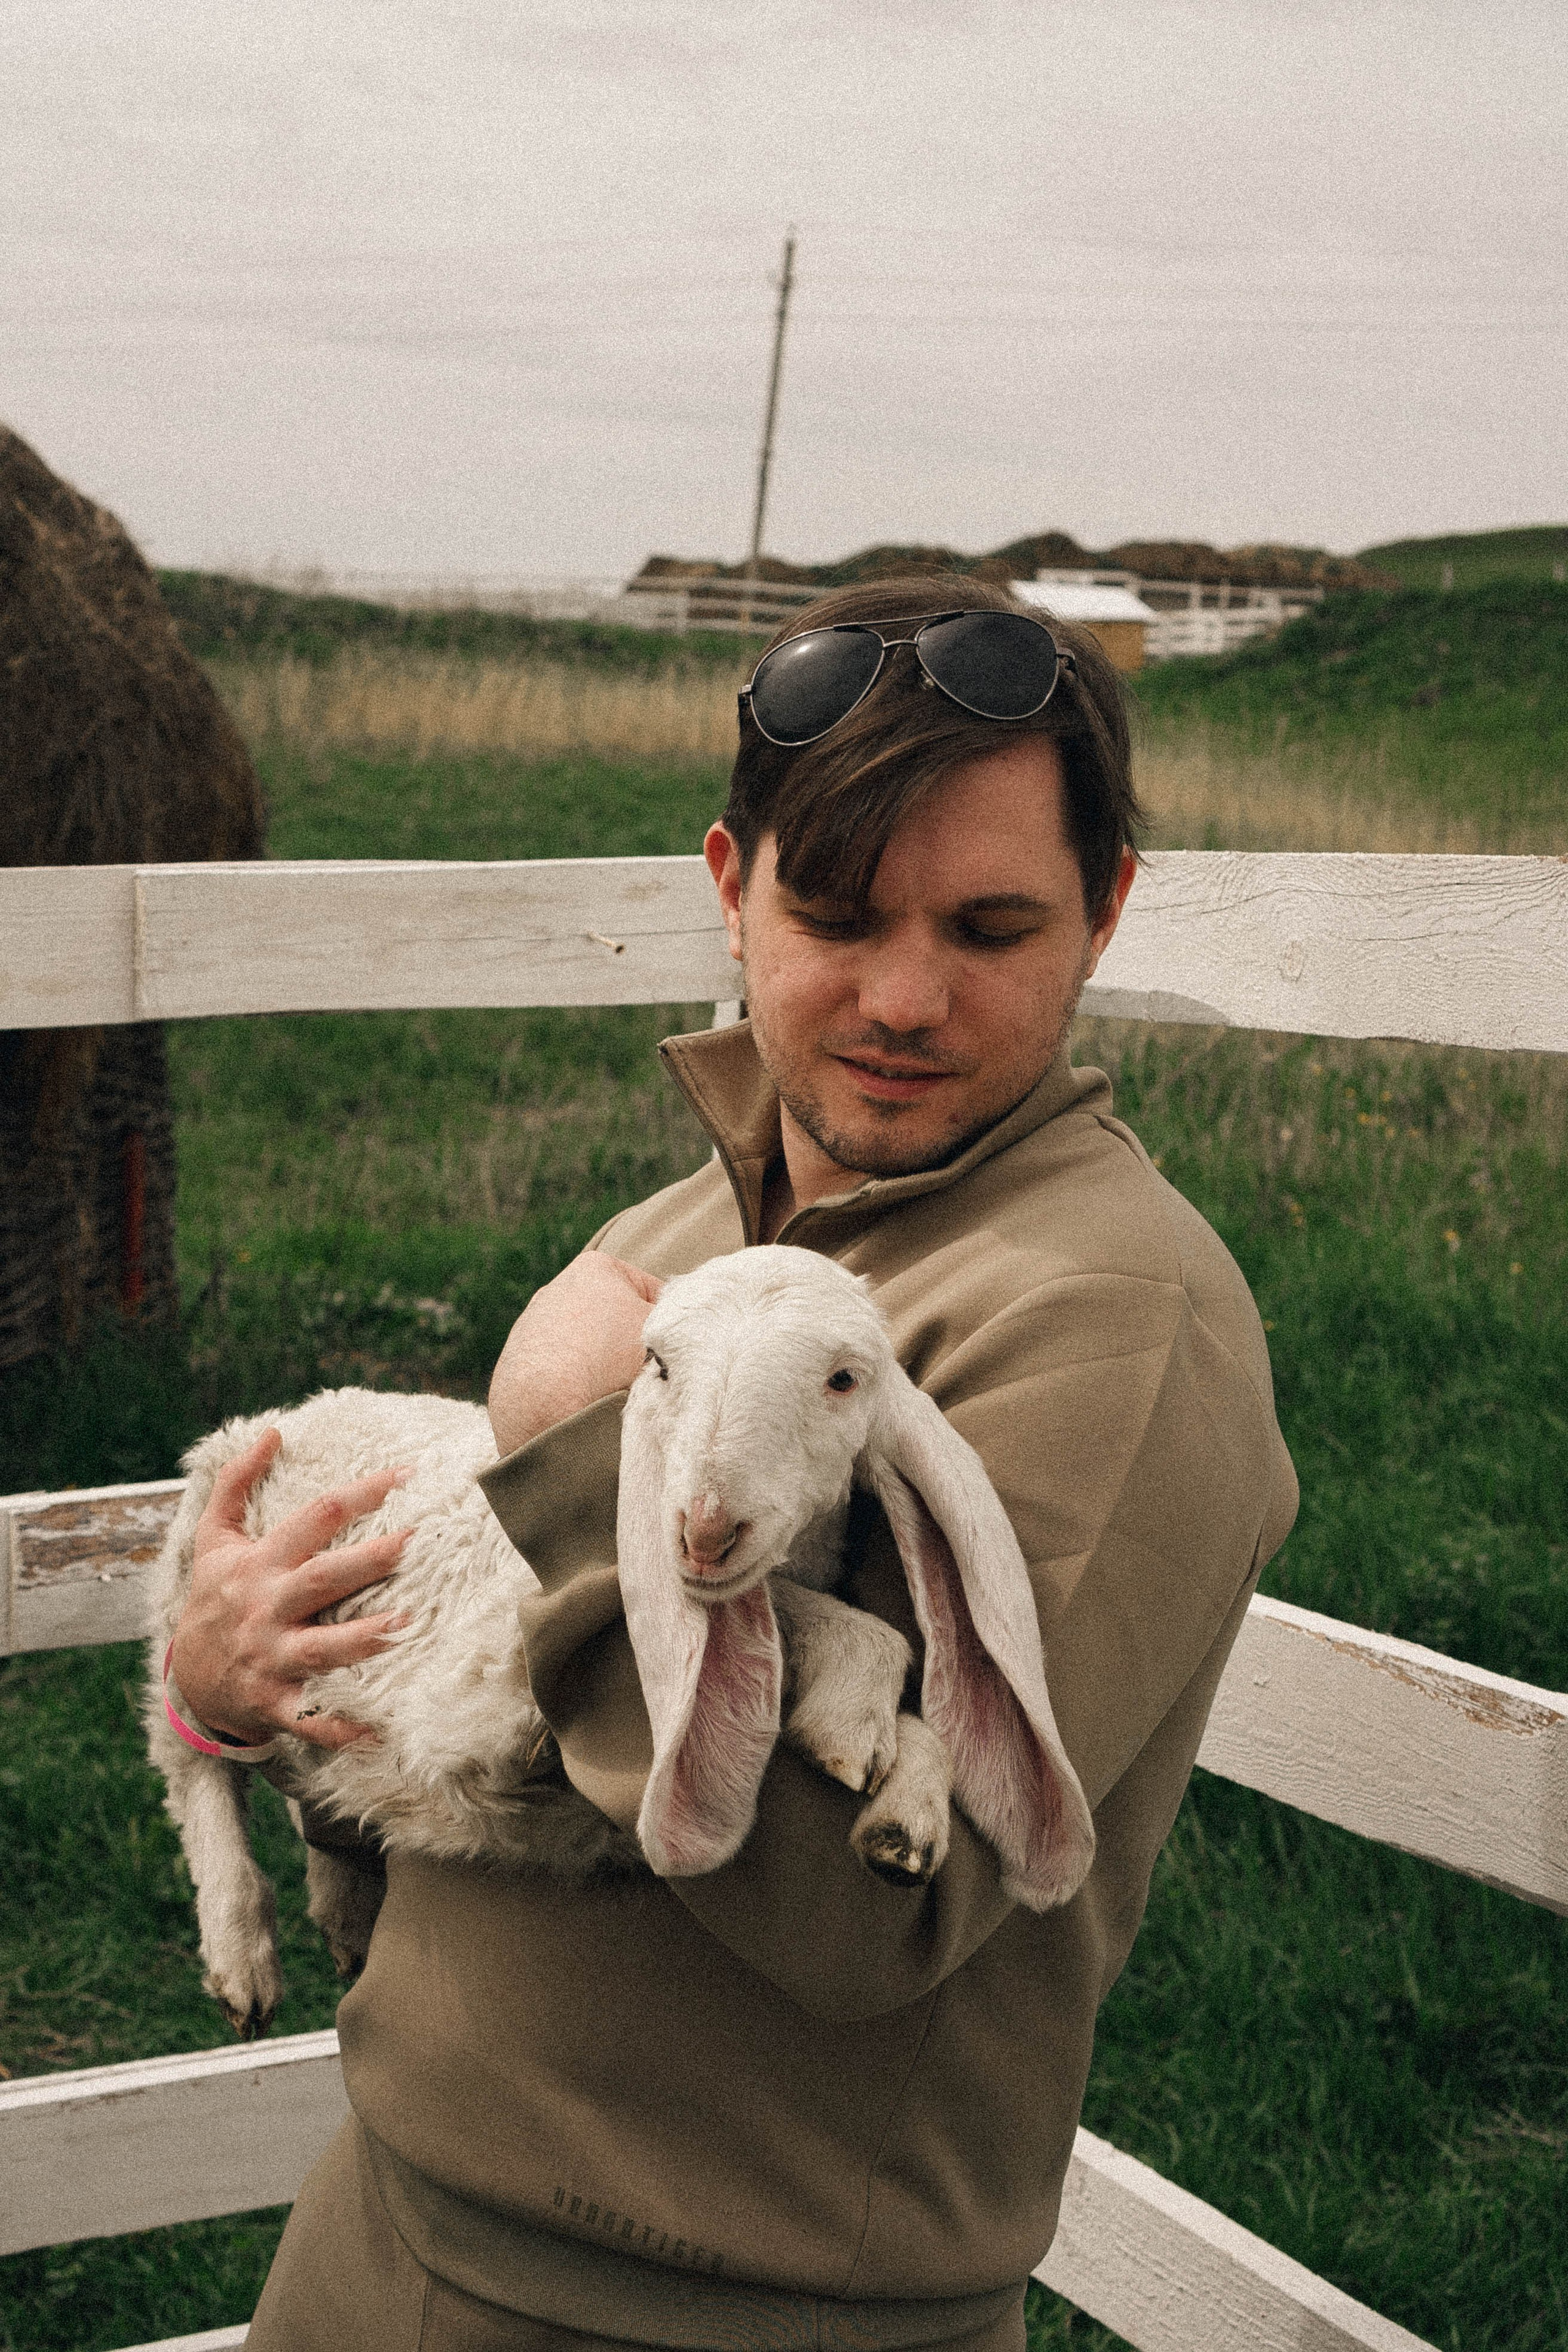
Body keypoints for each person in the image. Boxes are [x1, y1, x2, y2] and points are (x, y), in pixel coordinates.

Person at [171, 577, 1297, 2352]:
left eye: (993, 927)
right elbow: (493, 1700)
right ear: (728, 891)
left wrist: (568, 1451)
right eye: (836, 914)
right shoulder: (706, 1226)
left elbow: (874, 1927)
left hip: (712, 2312)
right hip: (384, 2219)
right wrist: (246, 1690)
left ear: (1107, 918)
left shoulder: (1110, 1321)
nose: (905, 996)